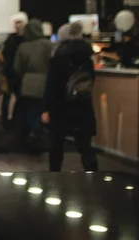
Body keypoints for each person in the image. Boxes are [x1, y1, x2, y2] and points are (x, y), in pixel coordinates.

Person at [42, 22, 98, 172]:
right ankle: (94, 175)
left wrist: (46, 108)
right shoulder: (87, 57)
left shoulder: (58, 57)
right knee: (85, 145)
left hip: (60, 106)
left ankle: (54, 176)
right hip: (82, 104)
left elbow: (51, 86)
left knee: (56, 145)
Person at [14, 19, 54, 149]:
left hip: (28, 82)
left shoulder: (23, 46)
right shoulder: (49, 45)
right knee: (42, 109)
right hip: (45, 81)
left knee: (30, 110)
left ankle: (30, 134)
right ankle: (37, 134)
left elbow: (17, 67)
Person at [1, 12, 28, 122]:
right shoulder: (19, 40)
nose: (17, 25)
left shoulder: (10, 40)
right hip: (14, 73)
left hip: (14, 72)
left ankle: (11, 119)